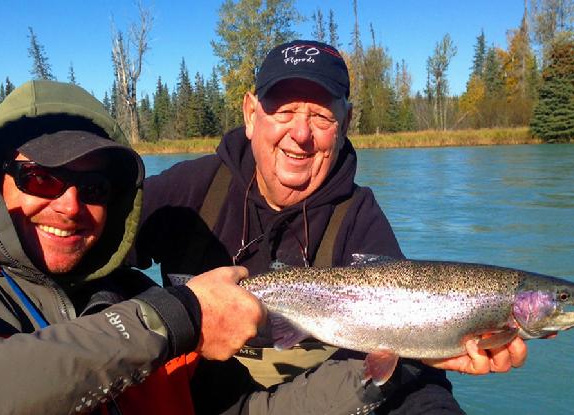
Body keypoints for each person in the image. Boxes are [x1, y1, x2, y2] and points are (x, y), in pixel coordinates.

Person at [130, 40, 528, 412]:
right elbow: (92, 249)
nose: (300, 135)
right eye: (283, 112)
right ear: (251, 115)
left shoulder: (357, 216)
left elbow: (405, 367)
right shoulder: (192, 188)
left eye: (321, 116)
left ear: (345, 123)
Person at [0, 80, 400, 415]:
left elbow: (240, 411)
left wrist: (382, 375)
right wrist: (177, 317)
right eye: (41, 178)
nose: (69, 205)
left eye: (93, 187)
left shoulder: (130, 297)